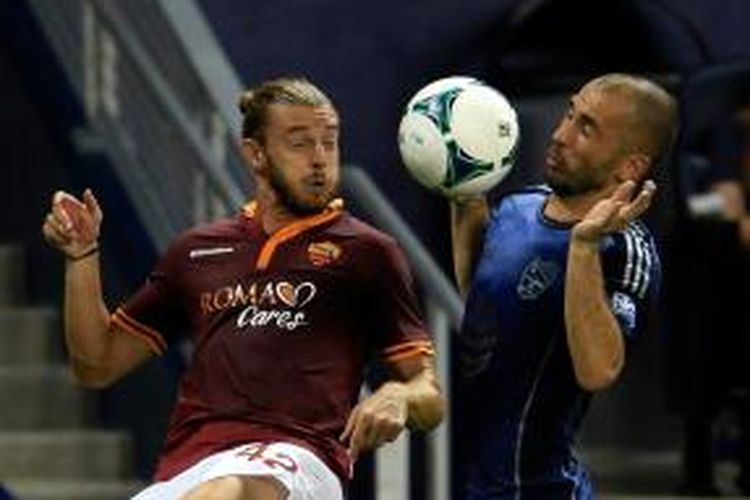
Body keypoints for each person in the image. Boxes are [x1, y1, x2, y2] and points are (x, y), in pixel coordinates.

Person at [42, 77, 444, 500]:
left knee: (228, 492)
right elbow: (97, 363)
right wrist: (82, 256)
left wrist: (401, 396)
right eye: (300, 143)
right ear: (255, 154)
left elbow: (430, 395)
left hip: (298, 460)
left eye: (329, 142)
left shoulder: (368, 253)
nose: (320, 160)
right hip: (189, 468)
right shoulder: (196, 252)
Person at [450, 73, 677, 498]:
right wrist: (464, 195)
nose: (560, 135)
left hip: (541, 489)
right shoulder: (520, 205)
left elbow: (598, 370)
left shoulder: (625, 250)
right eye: (570, 113)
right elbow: (482, 306)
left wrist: (584, 247)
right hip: (474, 485)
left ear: (630, 166)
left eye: (586, 128)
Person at [663, 104, 750, 496]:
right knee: (704, 335)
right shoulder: (724, 135)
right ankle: (698, 463)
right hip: (713, 271)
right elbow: (721, 203)